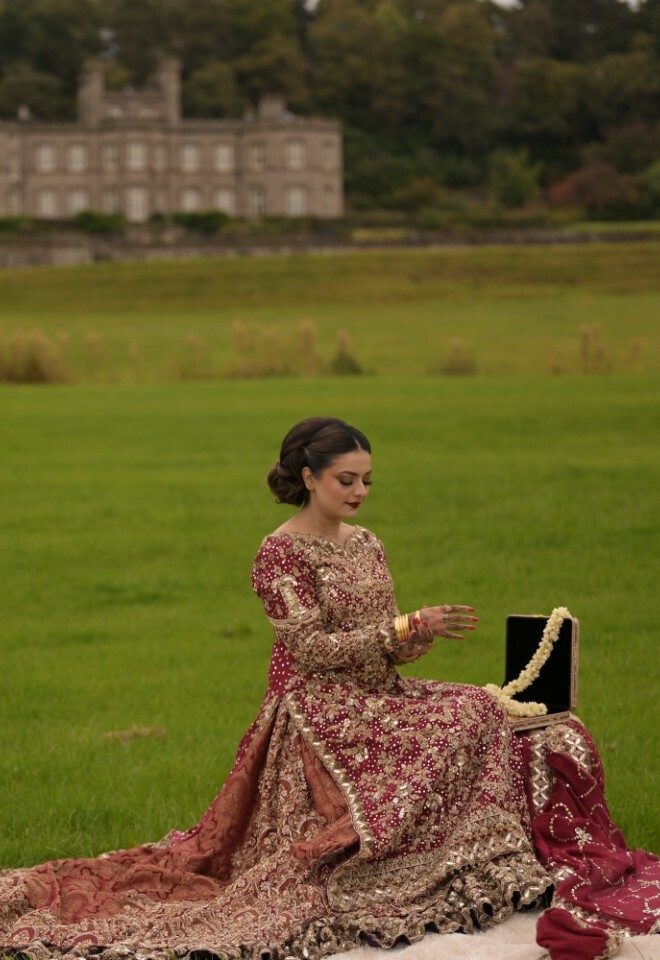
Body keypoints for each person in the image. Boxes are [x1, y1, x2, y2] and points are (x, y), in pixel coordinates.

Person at [1, 417, 657, 960]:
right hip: (317, 705)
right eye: (347, 479)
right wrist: (402, 630)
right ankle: (389, 865)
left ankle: (466, 863)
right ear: (308, 477)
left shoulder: (367, 543)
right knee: (463, 717)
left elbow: (381, 635)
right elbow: (310, 650)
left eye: (368, 479)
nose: (361, 491)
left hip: (377, 690)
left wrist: (413, 637)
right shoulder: (279, 554)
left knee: (479, 707)